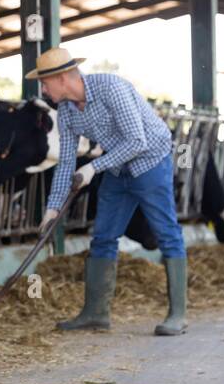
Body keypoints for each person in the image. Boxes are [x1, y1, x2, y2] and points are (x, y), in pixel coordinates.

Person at [29, 46, 188, 336]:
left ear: (63, 78)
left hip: (150, 161)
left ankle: (177, 314)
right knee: (103, 236)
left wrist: (92, 168)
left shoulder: (111, 89)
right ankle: (95, 313)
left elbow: (137, 141)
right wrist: (52, 208)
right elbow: (66, 162)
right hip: (116, 167)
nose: (42, 88)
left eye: (45, 82)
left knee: (167, 232)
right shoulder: (65, 111)